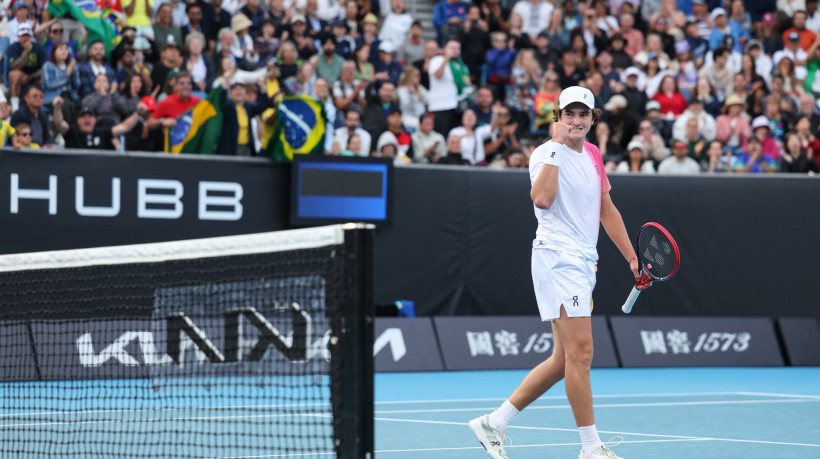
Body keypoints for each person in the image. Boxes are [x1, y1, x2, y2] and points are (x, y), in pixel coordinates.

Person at [469, 86, 646, 459]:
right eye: (569, 114)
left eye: (583, 115)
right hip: (557, 259)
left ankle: (494, 423)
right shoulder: (544, 154)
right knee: (582, 354)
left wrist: (631, 256)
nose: (576, 121)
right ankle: (590, 448)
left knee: (563, 359)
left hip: (584, 262)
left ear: (593, 119)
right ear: (558, 117)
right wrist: (554, 148)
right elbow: (542, 199)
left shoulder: (595, 155)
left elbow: (607, 210)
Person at [52, 97, 144, 150]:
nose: (87, 119)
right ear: (78, 120)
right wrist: (57, 108)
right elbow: (59, 124)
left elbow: (124, 127)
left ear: (95, 120)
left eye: (90, 116)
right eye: (83, 117)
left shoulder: (102, 132)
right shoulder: (72, 132)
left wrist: (138, 114)